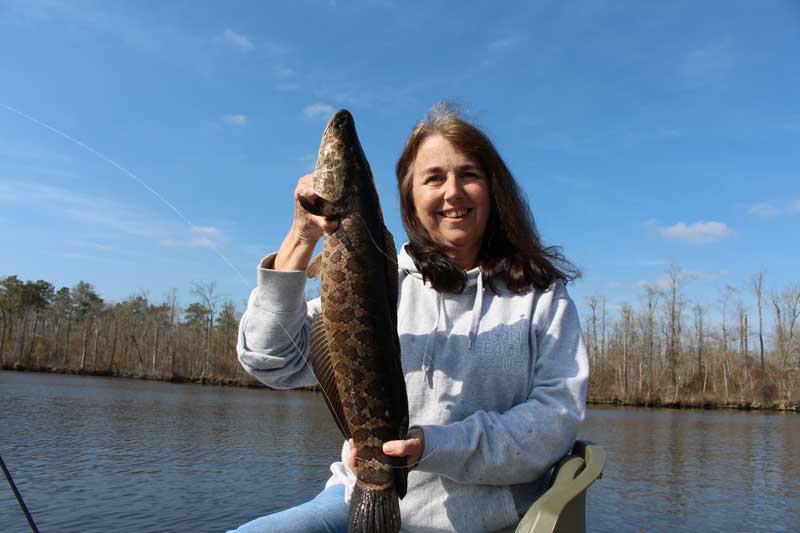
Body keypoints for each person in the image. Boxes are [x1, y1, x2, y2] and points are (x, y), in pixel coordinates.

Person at [232, 104, 589, 532]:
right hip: (355, 497)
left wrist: (434, 446)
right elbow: (271, 360)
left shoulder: (540, 296)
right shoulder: (380, 280)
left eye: (469, 175)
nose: (452, 192)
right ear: (410, 196)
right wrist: (302, 237)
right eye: (434, 178)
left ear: (494, 189)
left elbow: (555, 422)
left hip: (485, 520)